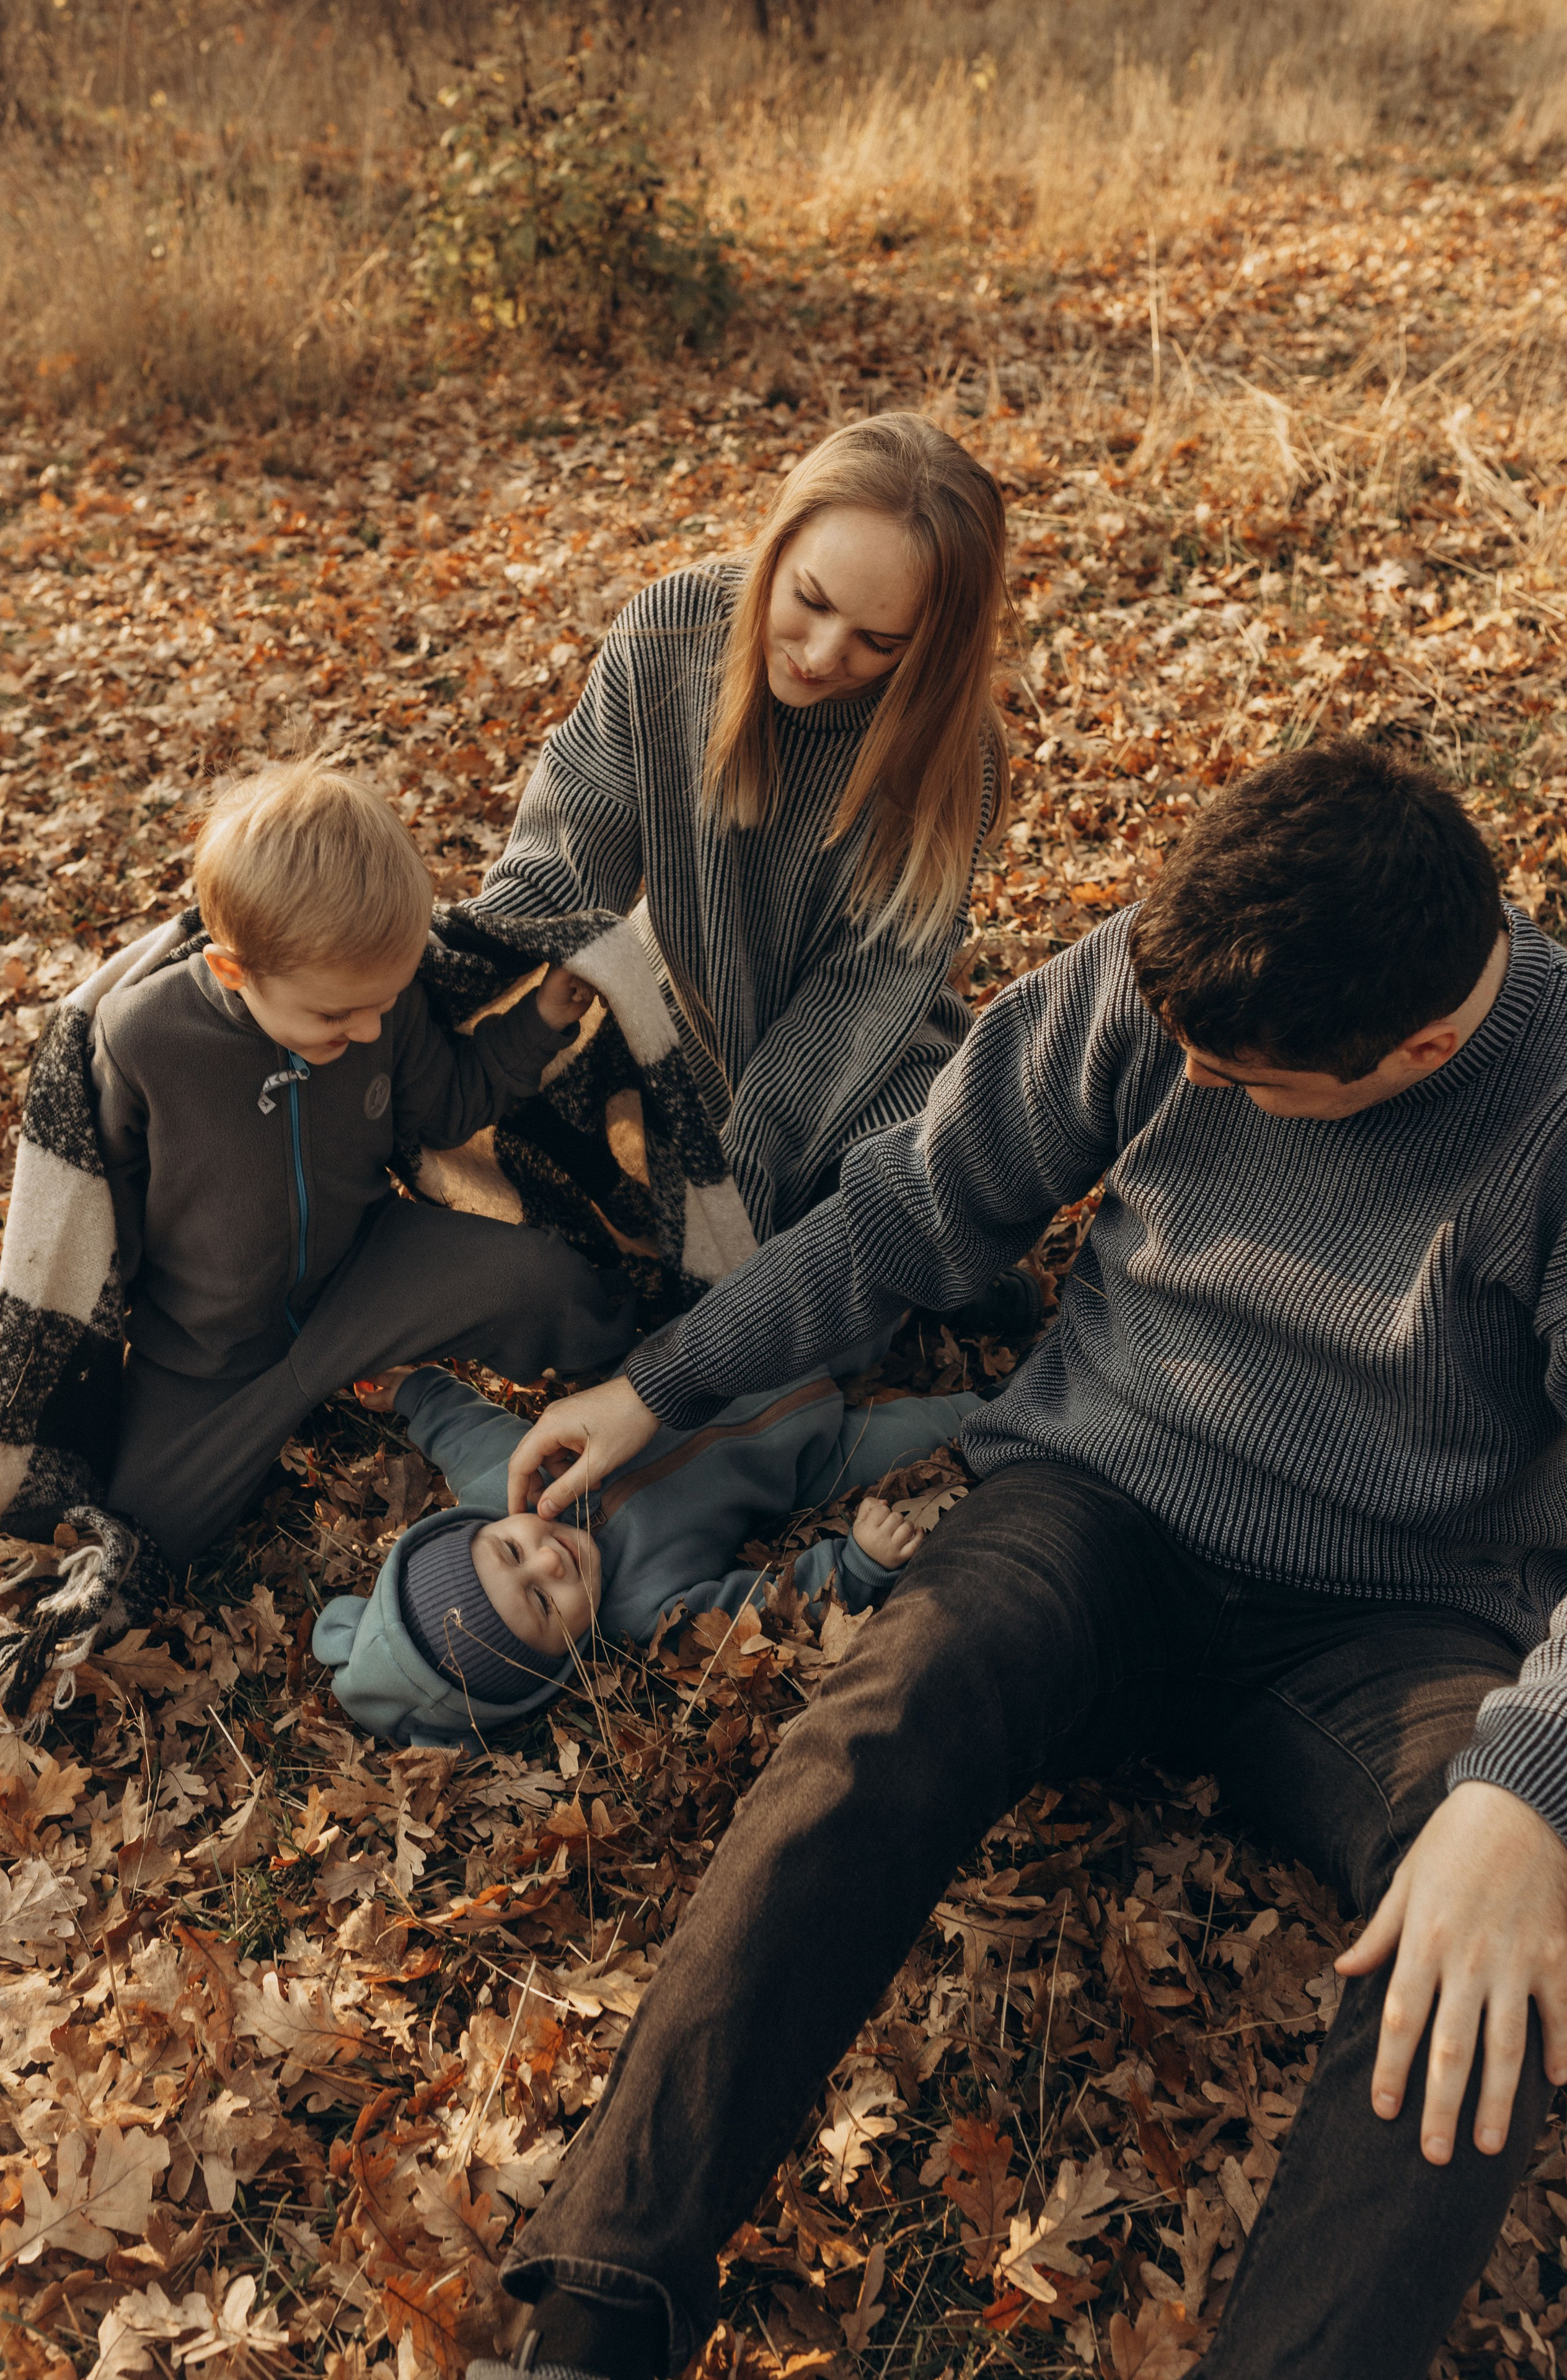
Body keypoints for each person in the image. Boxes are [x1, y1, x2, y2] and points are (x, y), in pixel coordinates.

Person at [468, 741, 1567, 2380]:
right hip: (1095, 1504)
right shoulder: (1176, 971)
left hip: (1395, 1626)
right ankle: (596, 2312)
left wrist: (1529, 1793)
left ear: (1415, 1051)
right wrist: (664, 1383)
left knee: (1486, 1957)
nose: (1189, 1085)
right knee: (883, 1713)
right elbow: (914, 1209)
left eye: (1237, 1080)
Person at [474, 412, 1027, 1295]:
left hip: (859, 1057)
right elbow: (563, 861)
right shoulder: (670, 635)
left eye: (879, 643)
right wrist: (447, 973)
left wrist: (741, 1199)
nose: (821, 656)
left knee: (915, 1192)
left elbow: (862, 999)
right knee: (492, 1085)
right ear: (777, 546)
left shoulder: (953, 757)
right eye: (811, 600)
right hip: (670, 1011)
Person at [92, 757, 637, 1568]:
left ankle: (643, 1385)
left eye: (385, 1004)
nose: (371, 1032)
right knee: (144, 1533)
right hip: (208, 1350)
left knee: (546, 1281)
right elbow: (99, 1232)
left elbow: (445, 1106)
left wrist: (540, 1020)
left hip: (369, 1270)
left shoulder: (382, 998)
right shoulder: (143, 1038)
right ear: (233, 972)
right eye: (338, 1015)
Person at [311, 1360, 978, 1743]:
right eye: (543, 1603)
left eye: (512, 1551)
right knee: (940, 1428)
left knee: (882, 1275)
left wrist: (417, 1392)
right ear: (559, 1661)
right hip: (807, 1462)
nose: (550, 1561)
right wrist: (855, 1565)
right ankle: (1015, 1399)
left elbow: (460, 1429)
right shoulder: (646, 1615)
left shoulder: (508, 1476)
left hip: (728, 1356)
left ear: (481, 1526)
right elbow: (762, 1612)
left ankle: (994, 1293)